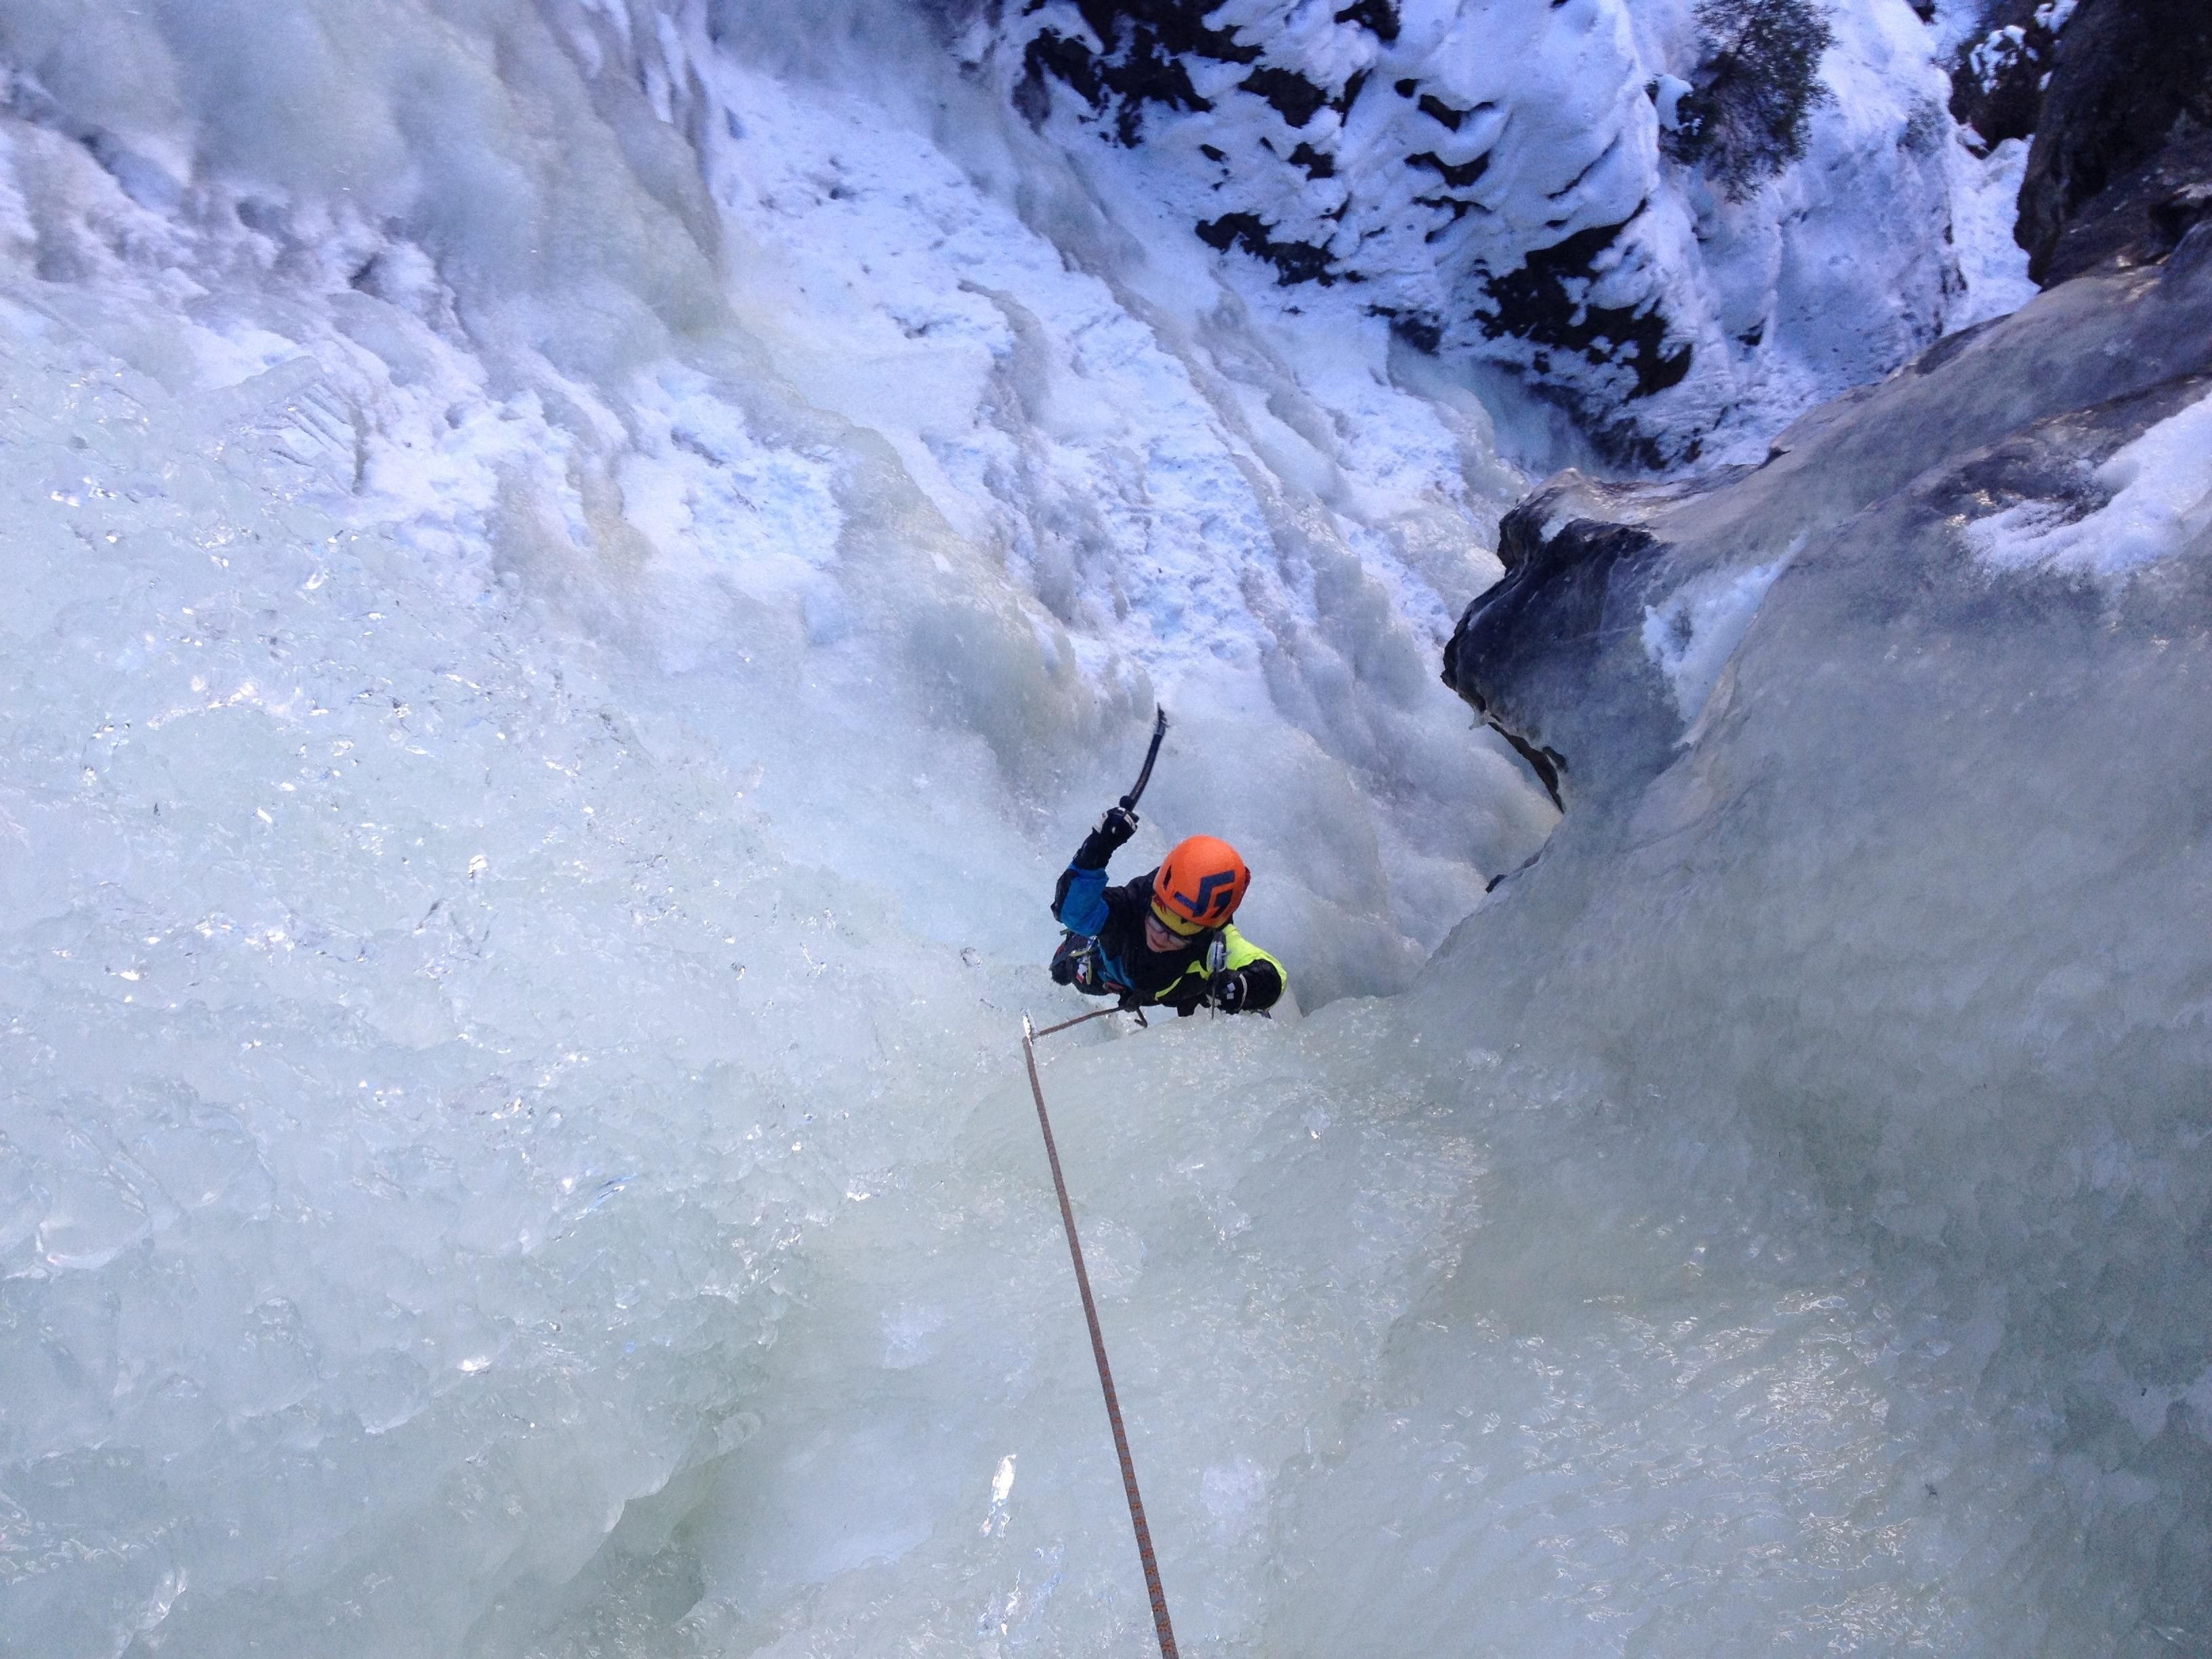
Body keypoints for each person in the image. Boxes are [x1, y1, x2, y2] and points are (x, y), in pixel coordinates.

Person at [1049, 805, 1286, 1017]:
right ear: (1154, 897)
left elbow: (1273, 973)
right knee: (1066, 972)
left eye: (1181, 929)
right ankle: (1076, 947)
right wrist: (1097, 850)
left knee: (1209, 991)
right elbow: (1072, 913)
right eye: (1161, 915)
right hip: (1107, 971)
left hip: (1175, 992)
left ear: (1206, 928)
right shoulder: (1130, 907)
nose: (1162, 936)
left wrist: (1245, 987)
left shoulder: (1214, 942)